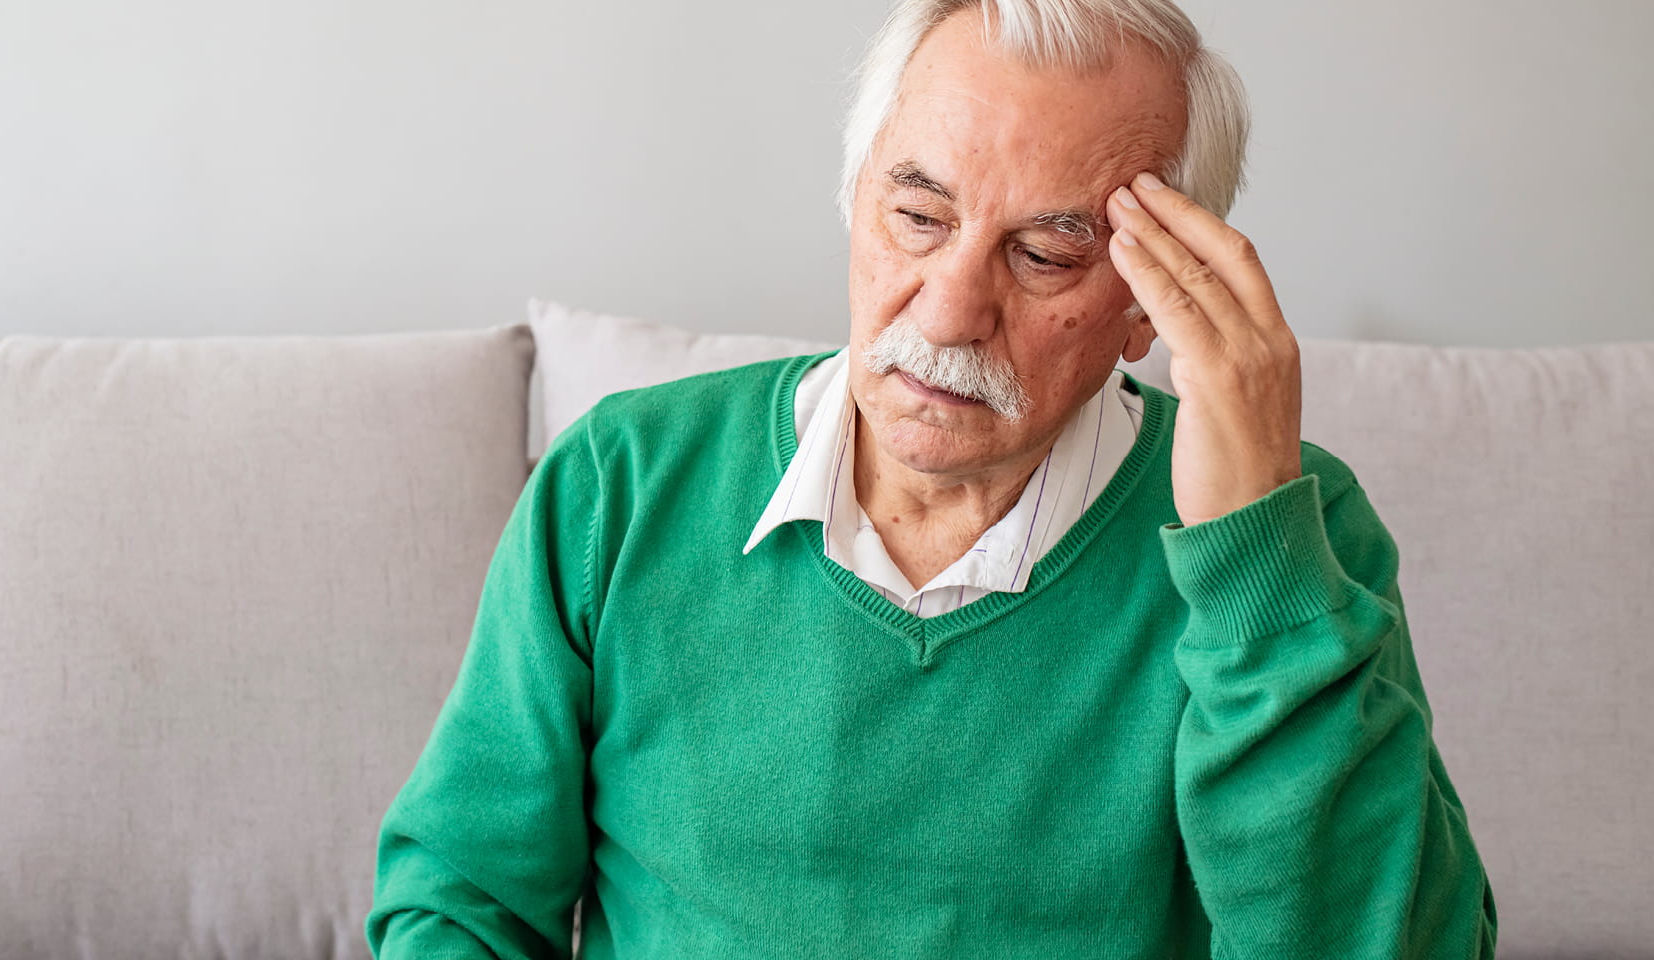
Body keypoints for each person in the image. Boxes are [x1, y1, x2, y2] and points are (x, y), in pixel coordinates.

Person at [366, 0, 1498, 956]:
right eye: (918, 217)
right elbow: (457, 901)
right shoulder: (619, 483)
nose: (951, 309)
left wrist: (1258, 557)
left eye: (1046, 254)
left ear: (1151, 304)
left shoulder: (1292, 535)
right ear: (854, 202)